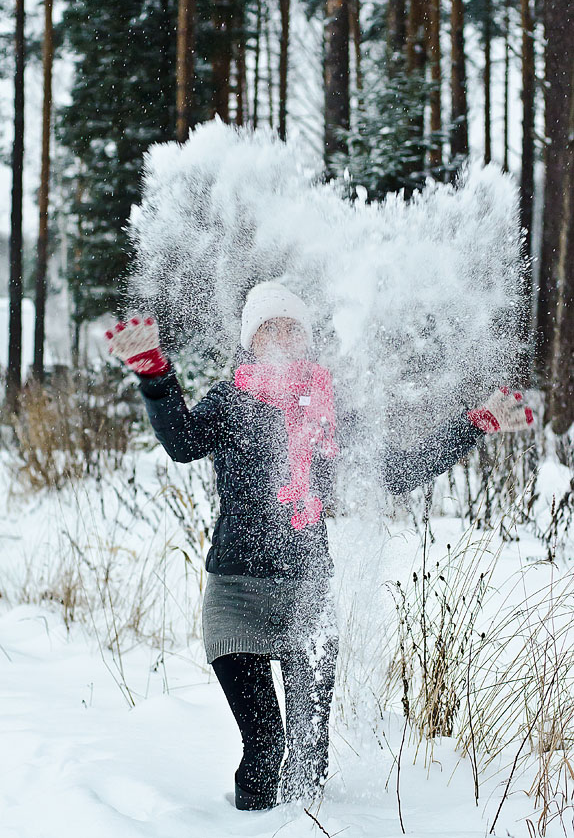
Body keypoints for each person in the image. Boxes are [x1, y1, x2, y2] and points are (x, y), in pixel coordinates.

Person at [106, 281, 533, 811]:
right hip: (236, 593)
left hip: (308, 595)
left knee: (309, 756)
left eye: (293, 328)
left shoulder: (330, 413)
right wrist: (155, 374)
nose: (283, 338)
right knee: (265, 749)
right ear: (252, 339)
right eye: (270, 328)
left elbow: (393, 471)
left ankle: (307, 826)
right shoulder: (232, 399)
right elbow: (183, 442)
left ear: (306, 340)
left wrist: (475, 425)